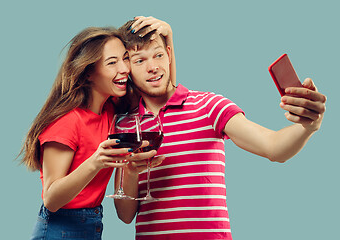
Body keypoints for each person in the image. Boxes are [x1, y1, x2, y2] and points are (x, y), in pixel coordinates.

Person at [114, 17, 327, 240]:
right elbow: (125, 215)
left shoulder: (210, 106)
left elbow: (274, 148)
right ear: (127, 67)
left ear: (169, 54)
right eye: (140, 61)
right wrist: (130, 170)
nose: (153, 67)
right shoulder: (125, 126)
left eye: (158, 55)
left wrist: (308, 126)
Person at [18, 26, 163, 240]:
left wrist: (167, 37)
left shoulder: (112, 110)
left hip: (92, 224)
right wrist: (95, 162)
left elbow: (162, 94)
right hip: (60, 229)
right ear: (88, 74)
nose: (124, 69)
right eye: (112, 62)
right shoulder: (66, 122)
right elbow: (51, 198)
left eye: (125, 59)